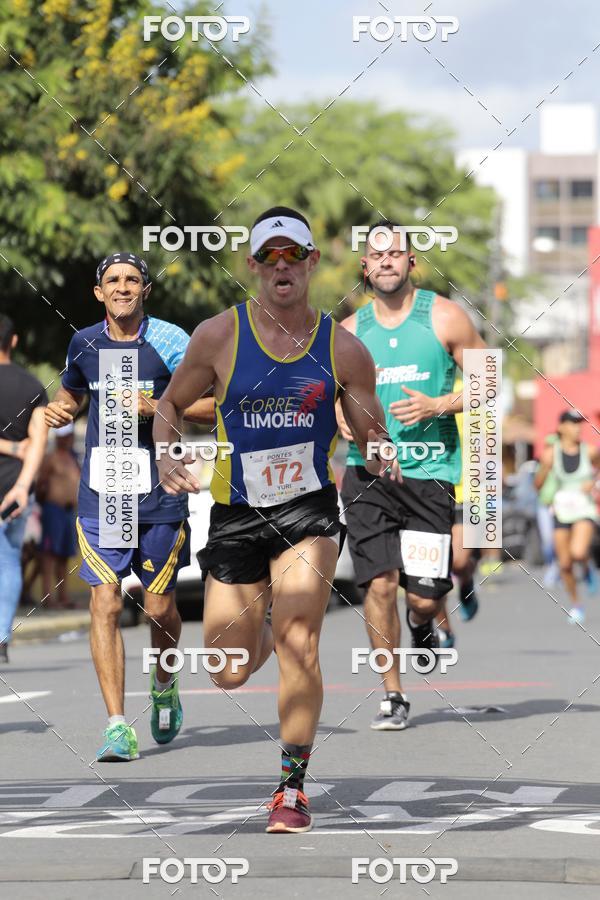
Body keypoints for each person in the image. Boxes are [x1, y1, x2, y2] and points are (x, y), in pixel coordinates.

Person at [154, 206, 399, 834]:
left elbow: (369, 425)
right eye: (271, 257)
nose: (282, 266)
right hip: (236, 511)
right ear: (253, 266)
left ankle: (292, 789)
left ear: (313, 262)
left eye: (295, 255)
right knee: (228, 669)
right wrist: (165, 448)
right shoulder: (218, 336)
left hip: (307, 510)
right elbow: (170, 404)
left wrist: (378, 447)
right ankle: (260, 614)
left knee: (300, 642)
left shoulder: (343, 348)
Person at [44, 252, 214, 760]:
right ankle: (117, 724)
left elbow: (213, 402)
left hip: (160, 491)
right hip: (105, 492)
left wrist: (161, 406)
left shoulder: (170, 342)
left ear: (145, 290)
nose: (122, 287)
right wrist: (62, 409)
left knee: (160, 606)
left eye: (132, 280)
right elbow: (74, 394)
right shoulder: (84, 343)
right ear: (99, 293)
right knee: (106, 601)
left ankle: (164, 682)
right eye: (112, 281)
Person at [338, 221, 487, 730]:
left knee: (422, 597)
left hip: (430, 475)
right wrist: (343, 419)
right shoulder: (351, 332)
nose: (385, 262)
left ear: (410, 262)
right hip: (368, 474)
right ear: (365, 266)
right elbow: (333, 397)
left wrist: (441, 404)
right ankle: (393, 694)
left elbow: (488, 382)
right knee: (379, 586)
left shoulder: (444, 317)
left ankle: (423, 624)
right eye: (376, 255)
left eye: (395, 254)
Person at [0, 314, 48, 662]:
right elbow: (39, 443)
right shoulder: (33, 386)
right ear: (13, 341)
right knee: (10, 562)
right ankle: (1, 635)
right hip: (18, 488)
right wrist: (22, 486)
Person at [534, 409, 600, 624]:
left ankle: (588, 566)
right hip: (562, 509)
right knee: (564, 564)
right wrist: (545, 469)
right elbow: (538, 485)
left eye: (579, 423)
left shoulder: (589, 451)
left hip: (583, 508)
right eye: (572, 423)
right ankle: (576, 605)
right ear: (561, 427)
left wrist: (594, 483)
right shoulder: (550, 454)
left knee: (578, 552)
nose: (577, 428)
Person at [435, 376, 480, 648]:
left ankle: (466, 583)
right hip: (426, 483)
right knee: (432, 565)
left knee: (459, 562)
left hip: (465, 487)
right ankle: (444, 629)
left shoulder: (470, 384)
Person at [37, 423, 80, 609]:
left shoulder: (72, 458)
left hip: (69, 512)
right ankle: (48, 597)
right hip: (53, 510)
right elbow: (40, 485)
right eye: (65, 436)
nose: (68, 439)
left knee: (63, 556)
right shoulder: (50, 458)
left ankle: (63, 596)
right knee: (49, 555)